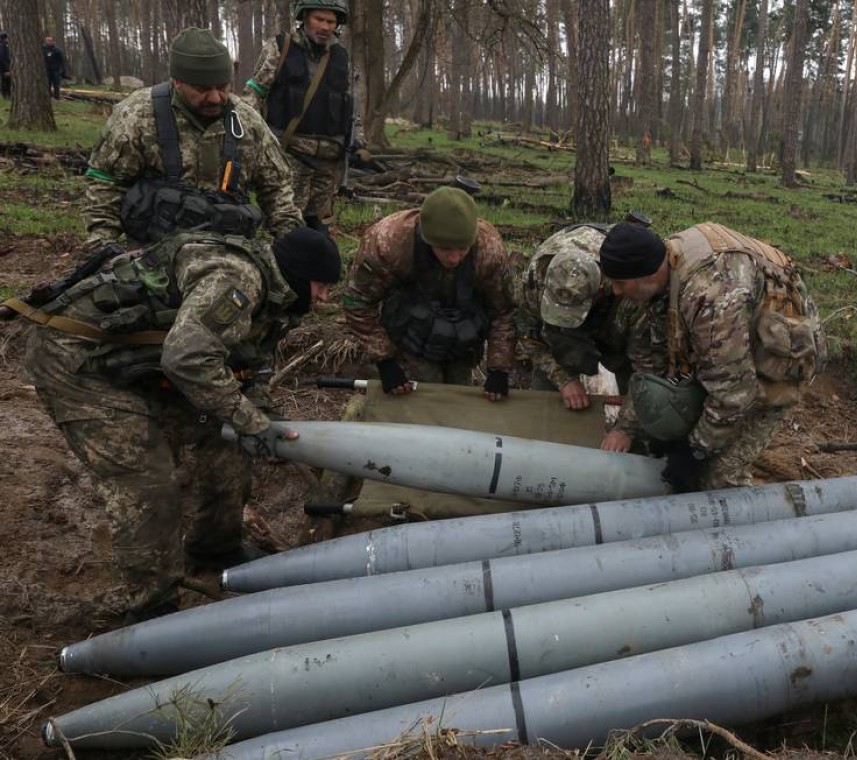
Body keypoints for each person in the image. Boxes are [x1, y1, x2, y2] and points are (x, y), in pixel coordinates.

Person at [21, 226, 343, 624]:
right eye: (321, 285)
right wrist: (247, 419)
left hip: (144, 363)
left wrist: (263, 418)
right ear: (297, 272)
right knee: (145, 477)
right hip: (78, 361)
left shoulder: (278, 298)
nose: (325, 297)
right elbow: (188, 358)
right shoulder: (235, 280)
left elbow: (243, 365)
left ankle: (216, 546)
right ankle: (153, 606)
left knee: (225, 442)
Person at [598, 222, 825, 492]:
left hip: (777, 367)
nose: (615, 291)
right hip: (731, 354)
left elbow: (733, 396)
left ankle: (732, 529)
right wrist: (628, 427)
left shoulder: (710, 297)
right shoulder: (666, 272)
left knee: (719, 475)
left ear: (645, 272)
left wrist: (692, 452)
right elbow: (653, 365)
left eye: (620, 282)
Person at [81, 27, 302, 254]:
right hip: (153, 255)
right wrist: (103, 248)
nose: (216, 98)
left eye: (223, 87)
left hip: (230, 255)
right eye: (203, 89)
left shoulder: (247, 122)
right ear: (177, 82)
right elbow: (105, 183)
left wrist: (295, 249)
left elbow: (277, 191)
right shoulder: (138, 115)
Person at [342, 187, 515, 400]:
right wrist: (385, 360)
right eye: (445, 249)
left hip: (464, 338)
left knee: (460, 399)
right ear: (427, 238)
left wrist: (499, 368)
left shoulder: (489, 250)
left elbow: (504, 311)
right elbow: (357, 301)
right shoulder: (388, 242)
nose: (454, 258)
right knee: (423, 401)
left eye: (462, 249)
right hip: (410, 335)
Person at [509, 223, 662, 452]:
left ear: (600, 290)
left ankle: (640, 454)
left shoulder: (629, 291)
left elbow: (647, 369)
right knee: (546, 397)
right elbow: (527, 333)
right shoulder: (534, 280)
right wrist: (563, 379)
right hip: (558, 336)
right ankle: (543, 451)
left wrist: (625, 429)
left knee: (639, 397)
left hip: (614, 326)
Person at [243, 0, 369, 233]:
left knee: (319, 223)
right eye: (319, 19)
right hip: (290, 154)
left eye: (330, 21)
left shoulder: (341, 58)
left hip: (329, 159)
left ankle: (315, 262)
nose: (324, 26)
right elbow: (255, 93)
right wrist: (253, 139)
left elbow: (351, 106)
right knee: (286, 222)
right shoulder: (281, 47)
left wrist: (358, 140)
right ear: (305, 18)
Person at [43, 35, 65, 99]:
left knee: (56, 84)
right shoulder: (43, 49)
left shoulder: (57, 50)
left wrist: (62, 69)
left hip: (55, 69)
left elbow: (62, 60)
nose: (49, 42)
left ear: (53, 41)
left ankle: (57, 97)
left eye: (50, 40)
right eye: (47, 40)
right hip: (47, 70)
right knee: (47, 84)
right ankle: (48, 97)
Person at [0, 31, 12, 100]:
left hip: (4, 66)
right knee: (5, 81)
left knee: (7, 81)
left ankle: (7, 94)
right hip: (4, 67)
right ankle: (6, 95)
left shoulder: (4, 45)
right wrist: (7, 68)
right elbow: (2, 57)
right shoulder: (3, 46)